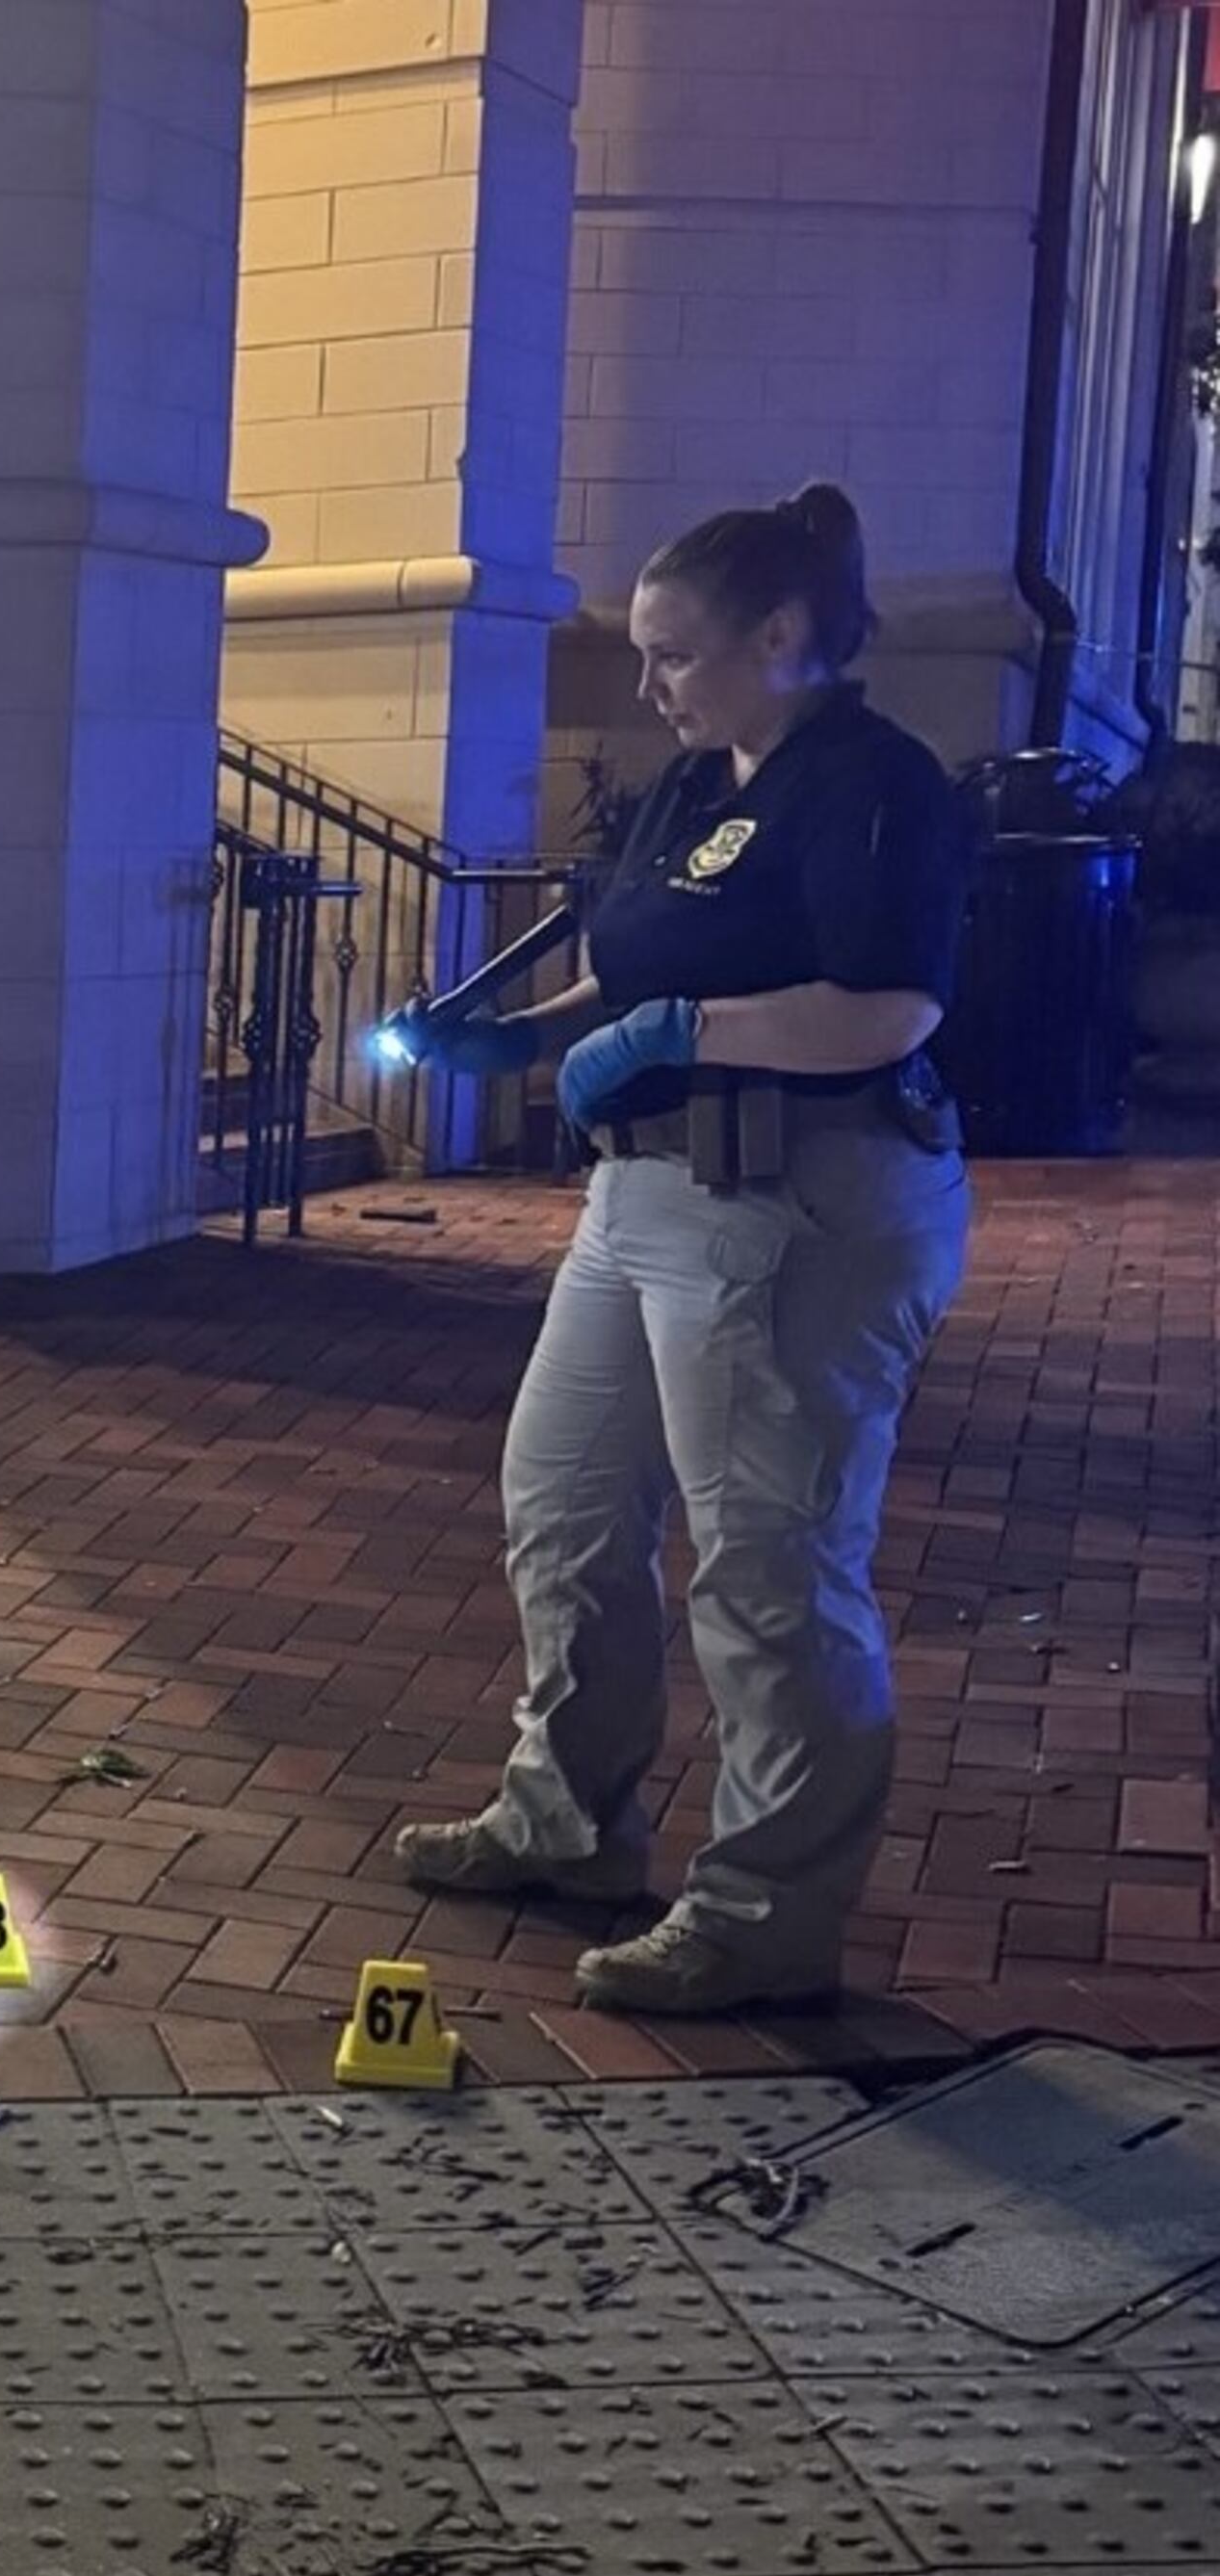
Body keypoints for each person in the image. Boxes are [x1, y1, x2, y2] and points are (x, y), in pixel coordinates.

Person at [392, 482, 972, 2013]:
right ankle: (568, 1820)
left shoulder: (871, 788)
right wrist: (511, 1035)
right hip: (643, 1197)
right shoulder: (701, 778)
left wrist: (677, 1029)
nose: (650, 686)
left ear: (783, 636)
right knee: (567, 1502)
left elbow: (888, 1006)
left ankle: (769, 1914)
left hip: (803, 1207)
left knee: (772, 1569)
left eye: (674, 655)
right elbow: (632, 951)